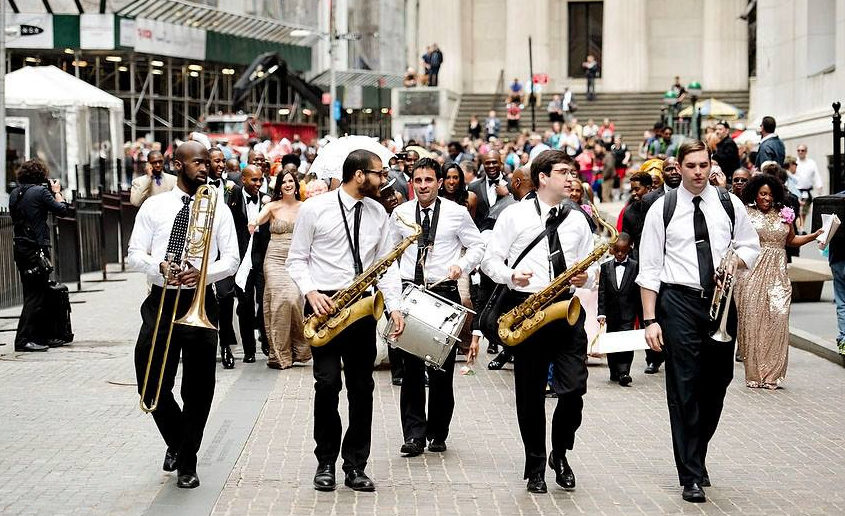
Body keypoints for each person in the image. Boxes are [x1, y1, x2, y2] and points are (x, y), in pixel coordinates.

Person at [637, 140, 760, 503]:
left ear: (711, 164)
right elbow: (649, 268)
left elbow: (750, 245)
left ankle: (698, 450)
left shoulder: (728, 203)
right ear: (678, 167)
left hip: (721, 304)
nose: (698, 172)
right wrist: (650, 319)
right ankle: (689, 472)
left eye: (703, 165)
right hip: (678, 302)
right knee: (684, 387)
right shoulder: (663, 207)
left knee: (718, 383)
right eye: (690, 166)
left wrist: (736, 261)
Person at [286, 149, 405, 493]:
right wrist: (311, 293)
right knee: (326, 385)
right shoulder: (314, 208)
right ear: (358, 175)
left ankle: (355, 465)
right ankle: (325, 462)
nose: (384, 180)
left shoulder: (378, 213)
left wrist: (394, 306)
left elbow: (385, 264)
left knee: (361, 389)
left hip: (362, 306)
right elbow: (297, 260)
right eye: (379, 174)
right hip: (324, 303)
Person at [482, 149, 596, 494]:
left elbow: (591, 273)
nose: (570, 177)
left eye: (572, 172)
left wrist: (585, 278)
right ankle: (535, 465)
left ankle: (559, 453)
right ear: (542, 177)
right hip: (526, 306)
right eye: (563, 172)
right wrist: (511, 275)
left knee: (574, 389)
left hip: (565, 309)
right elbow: (490, 261)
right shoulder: (514, 215)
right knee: (530, 393)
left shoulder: (578, 219)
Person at [128, 140, 240, 489]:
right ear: (178, 164)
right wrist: (158, 266)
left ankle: (187, 460)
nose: (204, 168)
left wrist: (203, 273)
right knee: (150, 382)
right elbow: (133, 254)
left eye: (207, 162)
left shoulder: (218, 207)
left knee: (199, 387)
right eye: (196, 162)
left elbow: (232, 259)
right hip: (162, 298)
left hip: (200, 301)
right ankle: (178, 440)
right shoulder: (154, 206)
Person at [389, 158, 485, 456]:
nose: (423, 186)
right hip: (410, 292)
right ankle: (414, 435)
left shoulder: (457, 213)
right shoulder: (400, 213)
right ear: (411, 183)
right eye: (418, 180)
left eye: (429, 180)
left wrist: (461, 265)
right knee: (412, 369)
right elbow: (390, 255)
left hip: (443, 292)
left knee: (441, 369)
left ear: (439, 182)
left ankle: (438, 432)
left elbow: (479, 246)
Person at [734, 175, 823, 389]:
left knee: (779, 318)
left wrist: (814, 235)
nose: (767, 198)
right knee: (753, 321)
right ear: (755, 193)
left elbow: (791, 241)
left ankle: (772, 374)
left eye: (771, 194)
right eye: (763, 194)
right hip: (751, 273)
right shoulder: (745, 213)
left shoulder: (785, 214)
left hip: (778, 274)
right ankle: (755, 374)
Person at [249, 169, 309, 370]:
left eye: (291, 181)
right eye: (284, 182)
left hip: (296, 259)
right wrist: (254, 222)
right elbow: (259, 218)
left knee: (293, 300)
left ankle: (298, 349)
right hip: (274, 260)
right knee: (278, 303)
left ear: (296, 184)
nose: (288, 184)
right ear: (279, 186)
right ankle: (279, 354)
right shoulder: (272, 206)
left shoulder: (305, 207)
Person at [9, 160, 70, 352]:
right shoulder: (40, 192)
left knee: (35, 291)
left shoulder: (15, 193)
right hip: (37, 248)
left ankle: (40, 336)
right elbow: (62, 210)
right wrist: (57, 192)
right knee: (36, 296)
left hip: (21, 247)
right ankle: (23, 339)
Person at [228, 165, 271, 363]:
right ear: (243, 180)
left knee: (263, 302)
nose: (258, 183)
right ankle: (249, 350)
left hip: (261, 258)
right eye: (254, 180)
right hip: (242, 260)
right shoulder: (233, 198)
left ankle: (265, 340)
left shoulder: (267, 199)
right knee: (244, 304)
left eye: (260, 179)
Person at [597, 233, 641, 386]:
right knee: (612, 342)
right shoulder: (605, 267)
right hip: (611, 312)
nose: (620, 254)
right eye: (617, 251)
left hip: (628, 312)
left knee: (626, 342)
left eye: (624, 251)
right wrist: (601, 312)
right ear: (612, 250)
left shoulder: (635, 267)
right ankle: (614, 370)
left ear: (630, 249)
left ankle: (624, 372)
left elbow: (638, 291)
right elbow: (602, 291)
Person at [207, 148, 237, 369]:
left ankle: (226, 344)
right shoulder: (197, 187)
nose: (221, 165)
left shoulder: (232, 189)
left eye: (223, 161)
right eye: (216, 161)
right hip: (206, 252)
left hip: (225, 252)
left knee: (226, 297)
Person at [621, 172, 653, 260]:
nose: (633, 193)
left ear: (649, 188)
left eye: (637, 189)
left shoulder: (660, 207)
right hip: (638, 257)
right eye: (632, 190)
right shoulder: (629, 211)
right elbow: (626, 237)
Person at [793, 144, 823, 230]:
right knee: (797, 211)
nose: (800, 152)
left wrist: (819, 186)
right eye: (798, 150)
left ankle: (801, 228)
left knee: (804, 212)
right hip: (796, 191)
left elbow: (816, 175)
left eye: (802, 150)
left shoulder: (811, 163)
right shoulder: (795, 162)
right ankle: (799, 228)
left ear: (806, 151)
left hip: (806, 191)